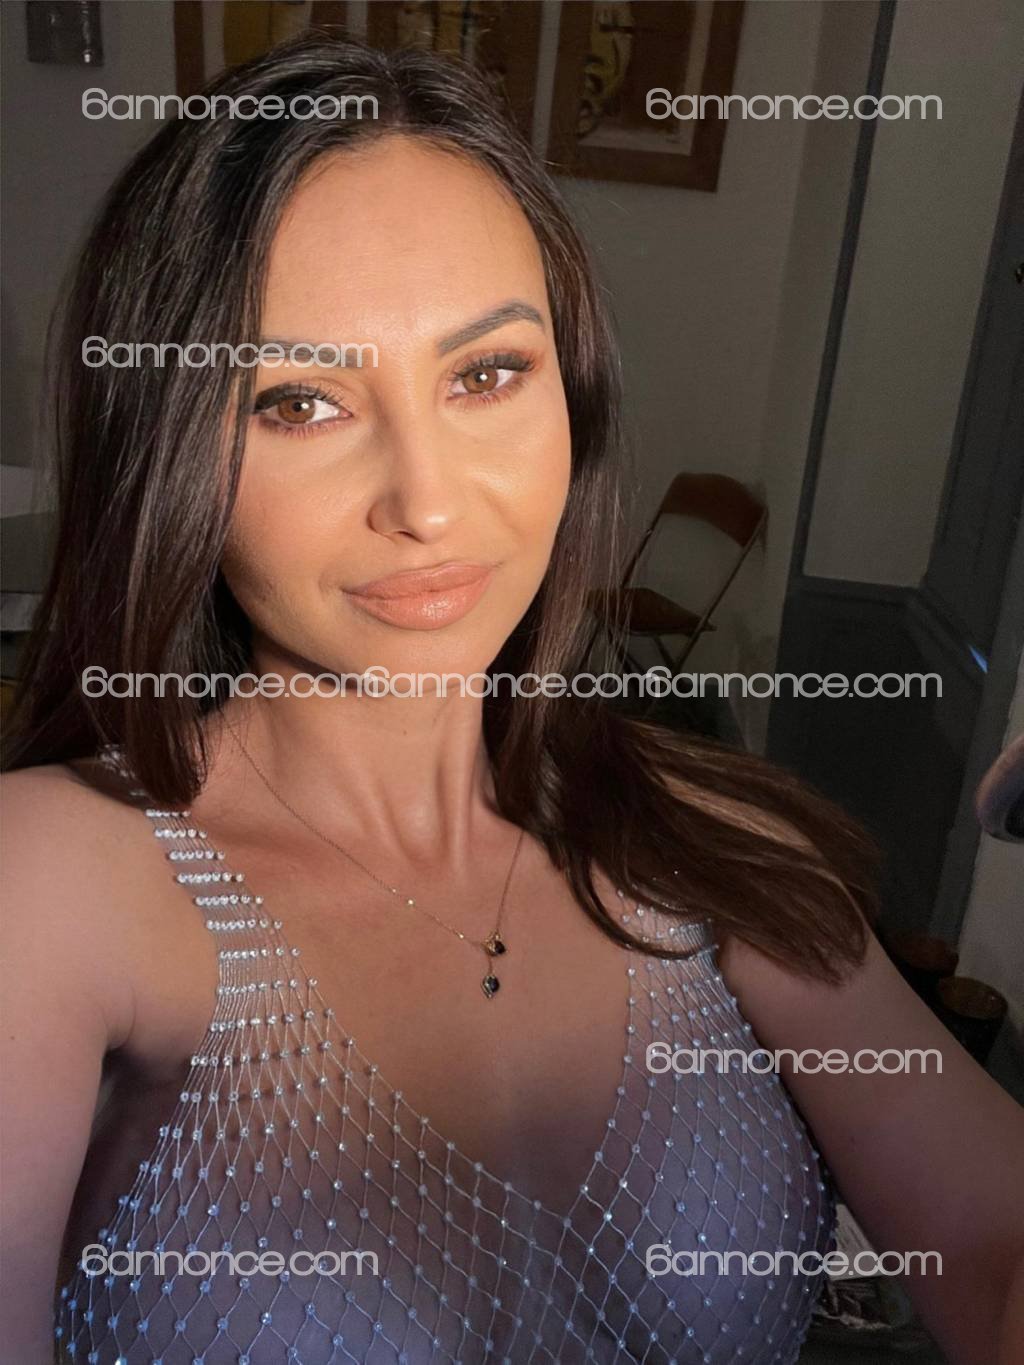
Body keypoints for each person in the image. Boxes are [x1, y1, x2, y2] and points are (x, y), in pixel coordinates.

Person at [1, 33, 1021, 1365]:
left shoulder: (714, 844)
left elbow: (995, 1249)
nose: (428, 504)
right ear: (168, 444)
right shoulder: (55, 882)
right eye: (299, 402)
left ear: (570, 400)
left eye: (486, 376)